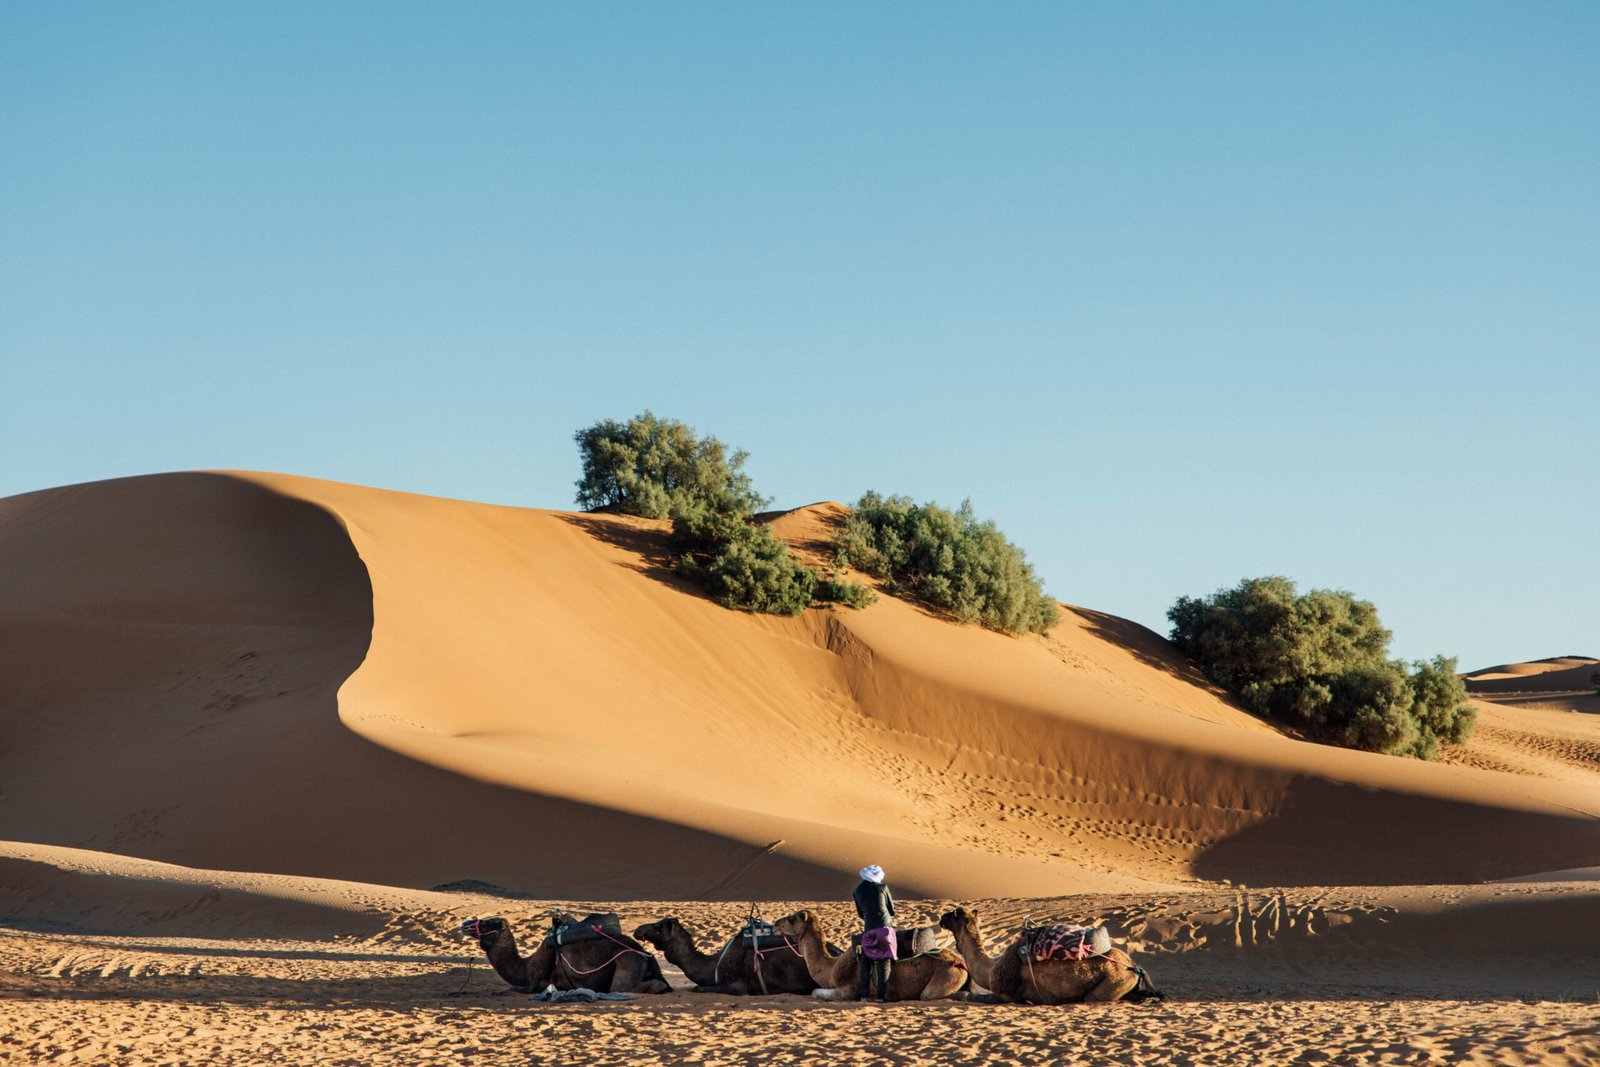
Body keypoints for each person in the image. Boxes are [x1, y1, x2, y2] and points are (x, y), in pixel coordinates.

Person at [851, 864, 896, 1001]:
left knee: (865, 961)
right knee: (884, 962)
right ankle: (881, 997)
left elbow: (861, 913)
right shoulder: (882, 888)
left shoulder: (857, 890)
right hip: (884, 929)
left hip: (868, 929)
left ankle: (864, 996)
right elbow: (891, 910)